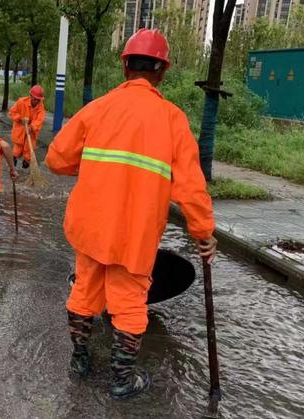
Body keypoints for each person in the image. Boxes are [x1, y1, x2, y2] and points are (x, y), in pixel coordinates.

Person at [45, 28, 218, 400]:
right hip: (134, 235)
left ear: (125, 66)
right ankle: (121, 380)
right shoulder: (172, 119)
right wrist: (203, 233)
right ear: (162, 71)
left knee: (84, 291)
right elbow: (190, 186)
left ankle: (79, 361)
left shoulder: (98, 108)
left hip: (89, 226)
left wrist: (92, 168)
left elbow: (56, 157)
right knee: (127, 304)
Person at [8, 85, 46, 168]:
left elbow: (39, 120)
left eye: (38, 99)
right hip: (20, 130)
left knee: (29, 149)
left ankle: (26, 162)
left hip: (31, 132)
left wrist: (32, 127)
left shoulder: (40, 107)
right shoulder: (21, 102)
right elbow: (12, 112)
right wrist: (20, 119)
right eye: (34, 98)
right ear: (31, 96)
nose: (36, 101)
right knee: (17, 149)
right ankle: (13, 161)